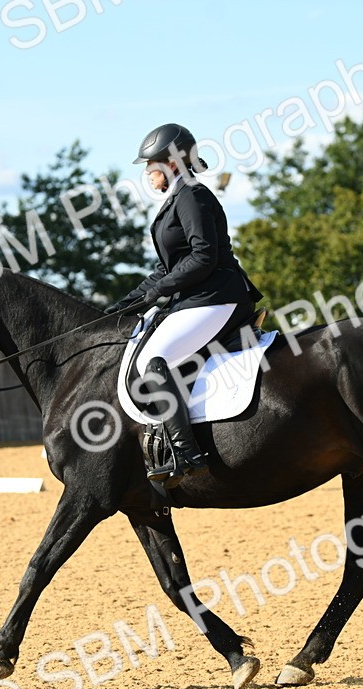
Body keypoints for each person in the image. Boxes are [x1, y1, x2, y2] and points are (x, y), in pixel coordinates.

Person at [104, 123, 263, 485]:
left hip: (216, 296)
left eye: (151, 165)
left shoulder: (193, 195)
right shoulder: (176, 200)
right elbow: (166, 267)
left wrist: (161, 289)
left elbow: (204, 256)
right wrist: (122, 305)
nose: (147, 174)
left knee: (151, 360)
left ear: (172, 163)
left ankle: (185, 451)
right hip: (196, 297)